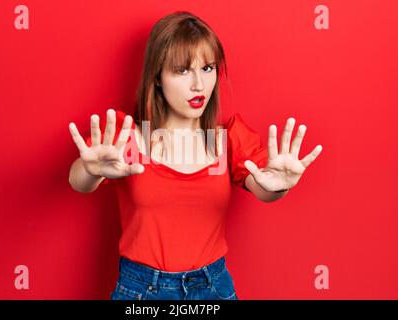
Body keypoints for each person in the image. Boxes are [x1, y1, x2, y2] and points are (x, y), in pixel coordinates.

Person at [68, 11, 323, 300]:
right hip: (142, 291)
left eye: (208, 68)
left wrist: (280, 185)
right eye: (182, 70)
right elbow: (78, 181)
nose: (199, 85)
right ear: (158, 77)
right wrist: (90, 169)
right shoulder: (130, 137)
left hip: (211, 288)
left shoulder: (225, 140)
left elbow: (264, 188)